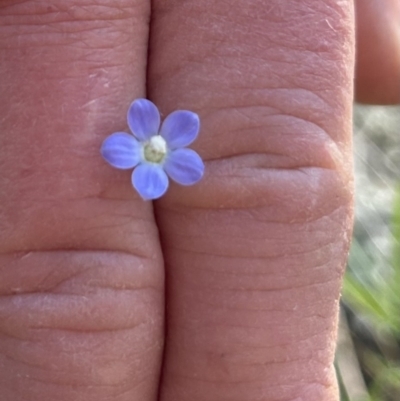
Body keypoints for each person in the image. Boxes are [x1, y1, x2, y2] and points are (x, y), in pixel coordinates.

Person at [0, 0, 398, 400]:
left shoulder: (167, 152)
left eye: (158, 148)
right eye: (153, 147)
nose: (156, 148)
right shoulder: (150, 148)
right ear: (149, 141)